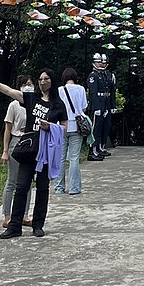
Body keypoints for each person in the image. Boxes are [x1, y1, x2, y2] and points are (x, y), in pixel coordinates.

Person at [0, 68, 66, 238]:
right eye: (40, 79)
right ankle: (14, 226)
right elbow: (10, 92)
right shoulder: (31, 98)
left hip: (45, 151)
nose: (42, 82)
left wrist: (50, 127)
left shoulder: (58, 104)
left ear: (52, 81)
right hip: (29, 148)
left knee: (42, 189)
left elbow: (64, 127)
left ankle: (38, 225)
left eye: (46, 79)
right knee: (21, 187)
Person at [0, 74, 34, 227]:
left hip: (31, 143)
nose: (28, 86)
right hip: (16, 142)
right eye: (25, 84)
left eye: (31, 84)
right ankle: (7, 216)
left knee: (27, 181)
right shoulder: (13, 105)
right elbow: (7, 129)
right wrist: (5, 151)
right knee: (12, 181)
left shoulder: (35, 104)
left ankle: (25, 215)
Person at [55, 67, 89, 195]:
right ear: (75, 77)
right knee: (74, 158)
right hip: (76, 127)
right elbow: (84, 107)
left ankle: (59, 187)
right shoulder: (80, 89)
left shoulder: (59, 90)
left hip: (61, 127)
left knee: (61, 158)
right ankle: (74, 188)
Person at [87, 52, 117, 160]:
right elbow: (93, 93)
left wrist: (110, 105)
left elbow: (110, 91)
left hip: (104, 104)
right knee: (95, 130)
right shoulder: (93, 76)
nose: (100, 64)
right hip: (97, 105)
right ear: (93, 63)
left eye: (101, 62)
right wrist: (96, 107)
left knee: (101, 129)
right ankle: (92, 151)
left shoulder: (102, 75)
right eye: (98, 62)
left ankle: (98, 149)